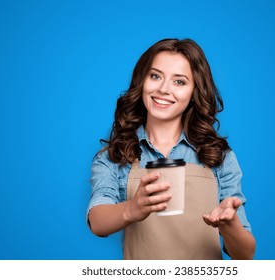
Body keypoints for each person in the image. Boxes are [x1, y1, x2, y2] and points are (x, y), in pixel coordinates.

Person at [87, 38, 256, 260]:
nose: (164, 89)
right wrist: (131, 209)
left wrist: (229, 224)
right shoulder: (115, 156)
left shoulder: (219, 157)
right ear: (142, 81)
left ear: (194, 91)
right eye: (155, 76)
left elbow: (245, 255)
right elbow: (97, 222)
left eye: (179, 82)